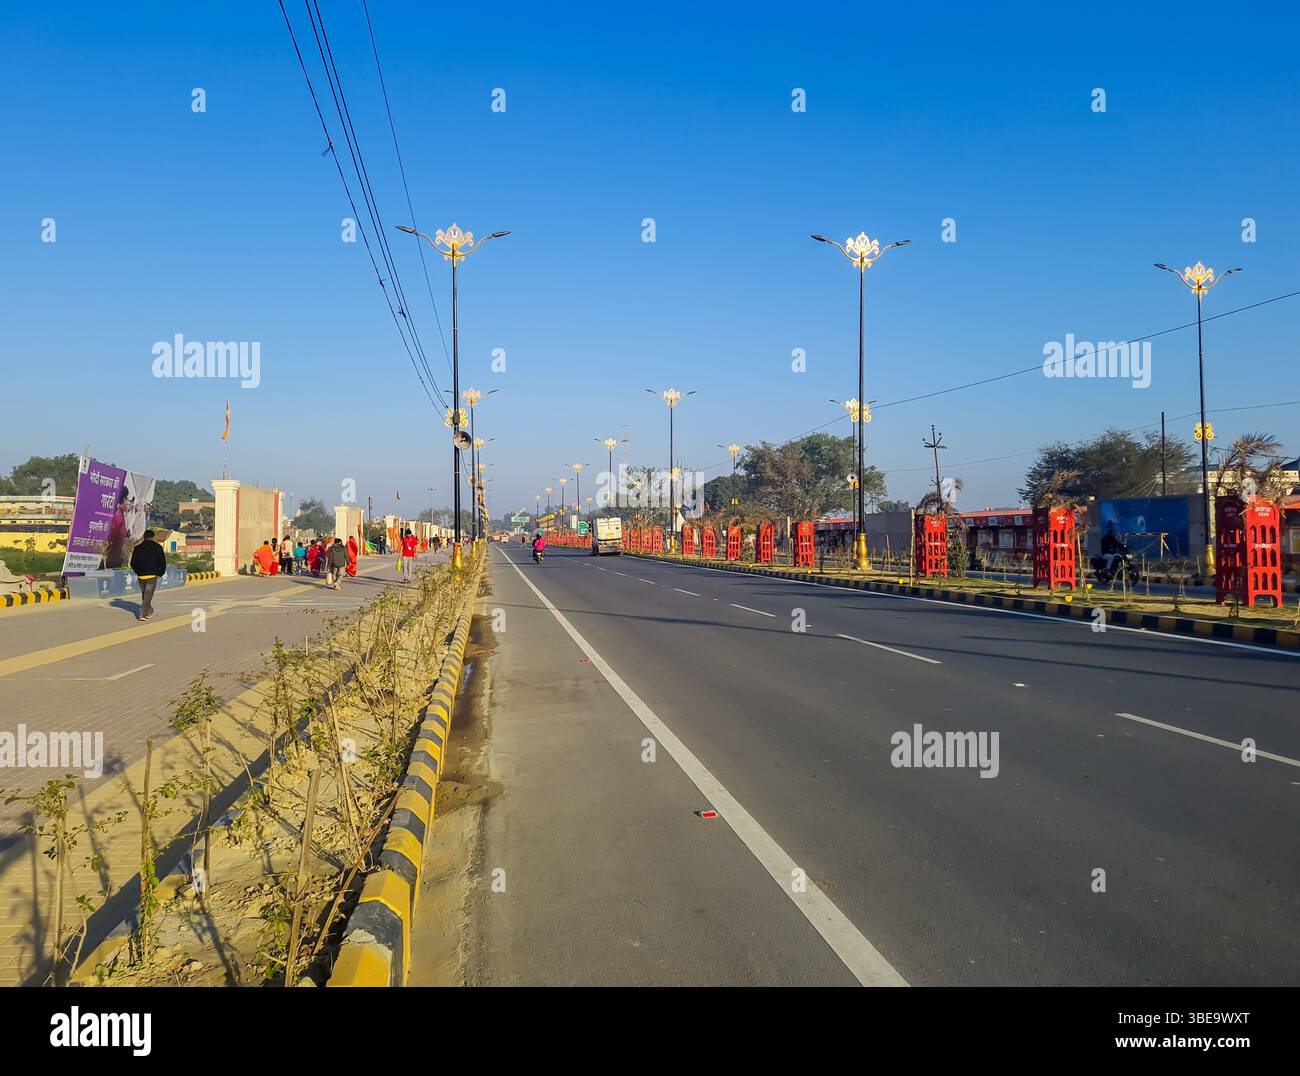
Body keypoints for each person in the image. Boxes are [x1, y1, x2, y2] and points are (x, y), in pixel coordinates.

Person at [130, 529, 167, 621]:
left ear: (144, 537)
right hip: (152, 575)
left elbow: (133, 563)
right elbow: (162, 562)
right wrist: (160, 573)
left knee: (145, 595)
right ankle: (142, 614)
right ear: (153, 537)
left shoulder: (137, 548)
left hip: (141, 575)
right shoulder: (157, 547)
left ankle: (149, 610)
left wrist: (138, 572)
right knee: (147, 595)